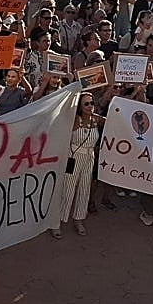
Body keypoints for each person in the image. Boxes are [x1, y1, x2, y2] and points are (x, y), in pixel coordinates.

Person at [50, 91, 101, 238]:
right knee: (68, 189)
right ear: (79, 105)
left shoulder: (96, 120)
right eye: (86, 103)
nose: (90, 106)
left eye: (92, 103)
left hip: (89, 158)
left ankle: (79, 219)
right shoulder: (73, 120)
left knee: (85, 188)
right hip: (73, 157)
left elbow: (117, 118)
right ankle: (58, 221)